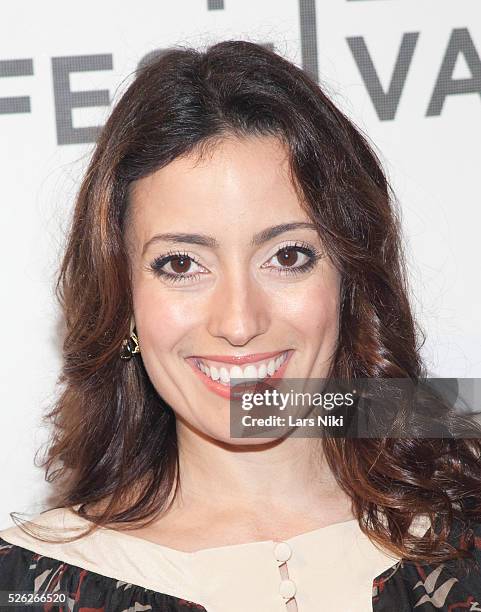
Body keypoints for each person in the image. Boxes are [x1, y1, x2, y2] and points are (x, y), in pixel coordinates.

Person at [1, 40, 481, 612]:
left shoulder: (466, 530)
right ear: (122, 299)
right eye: (180, 264)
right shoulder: (25, 586)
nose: (238, 322)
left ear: (349, 278)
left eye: (286, 257)